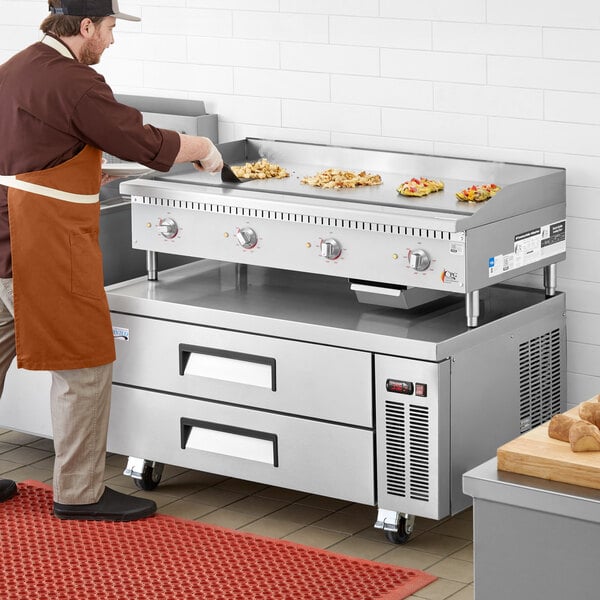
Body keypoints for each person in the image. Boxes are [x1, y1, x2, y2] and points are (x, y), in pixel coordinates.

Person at [0, 0, 223, 520]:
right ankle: (80, 493)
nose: (113, 40)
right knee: (84, 364)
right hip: (45, 244)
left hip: (4, 235)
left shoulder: (16, 67)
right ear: (85, 26)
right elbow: (140, 140)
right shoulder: (75, 83)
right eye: (110, 28)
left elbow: (33, 153)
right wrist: (201, 148)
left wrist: (81, 175)